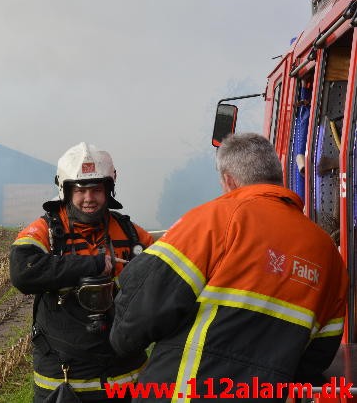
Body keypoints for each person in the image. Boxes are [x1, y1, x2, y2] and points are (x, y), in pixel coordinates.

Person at [109, 133, 348, 402]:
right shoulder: (328, 253)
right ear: (277, 176)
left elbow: (136, 319)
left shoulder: (214, 220)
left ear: (229, 180)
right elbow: (319, 355)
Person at [10, 142, 155, 402]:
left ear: (109, 190)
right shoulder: (48, 231)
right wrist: (94, 265)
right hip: (63, 380)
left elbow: (166, 273)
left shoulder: (131, 233)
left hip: (126, 373)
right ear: (65, 191)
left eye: (97, 190)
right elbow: (23, 272)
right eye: (80, 190)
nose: (89, 198)